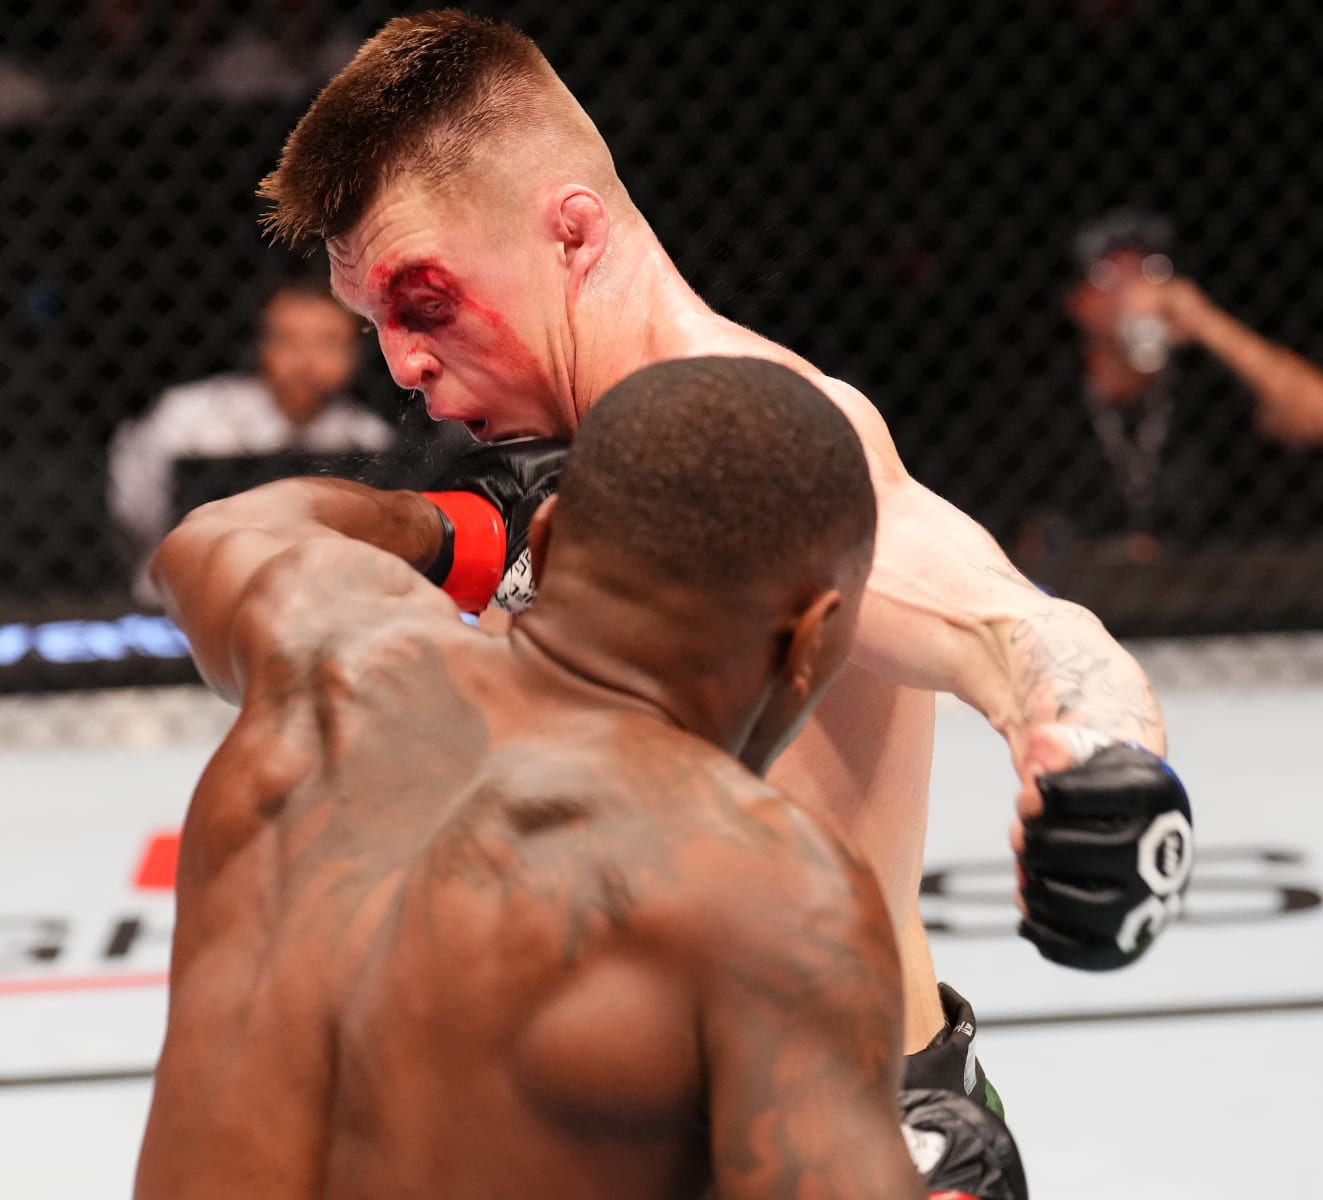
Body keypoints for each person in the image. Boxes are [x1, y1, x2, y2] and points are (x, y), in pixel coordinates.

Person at [244, 9, 1190, 1177]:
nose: (401, 363)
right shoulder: (558, 467)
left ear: (572, 232)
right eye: (376, 321)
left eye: (425, 302)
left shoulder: (756, 445)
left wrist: (1102, 766)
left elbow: (1014, 628)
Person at [138, 357, 926, 1199]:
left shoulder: (328, 651)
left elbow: (208, 536)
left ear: (542, 544)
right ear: (809, 641)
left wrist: (443, 527)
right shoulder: (760, 888)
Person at [1015, 209, 1323, 565]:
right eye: (1109, 274)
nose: (1133, 289)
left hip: (1219, 599)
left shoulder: (1206, 389)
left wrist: (1205, 321)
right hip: (1078, 605)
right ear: (1077, 301)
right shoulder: (1041, 403)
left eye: (1151, 271)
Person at [106, 271, 397, 601]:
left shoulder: (368, 437)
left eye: (327, 342)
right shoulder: (190, 418)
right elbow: (134, 511)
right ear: (261, 345)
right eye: (288, 340)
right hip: (186, 595)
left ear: (354, 354)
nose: (306, 361)